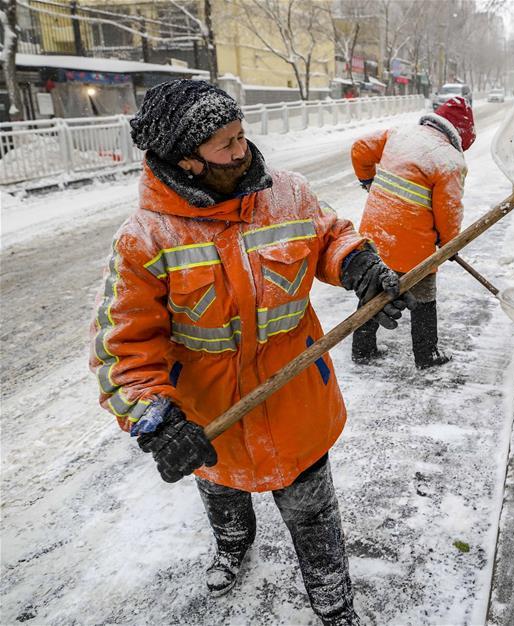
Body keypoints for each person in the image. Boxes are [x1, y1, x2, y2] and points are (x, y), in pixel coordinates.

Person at [89, 79, 413, 624]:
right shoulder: (145, 238)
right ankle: (233, 545)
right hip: (213, 415)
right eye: (226, 143)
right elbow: (121, 346)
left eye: (242, 135)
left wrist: (357, 263)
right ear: (187, 161)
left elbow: (329, 236)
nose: (243, 150)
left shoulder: (287, 193)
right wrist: (157, 420)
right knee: (222, 495)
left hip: (297, 400)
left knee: (313, 513)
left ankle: (335, 603)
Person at [350, 96, 475, 368]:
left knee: (373, 290)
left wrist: (367, 180)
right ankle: (426, 355)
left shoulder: (400, 134)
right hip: (413, 249)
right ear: (460, 137)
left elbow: (360, 148)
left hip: (374, 234)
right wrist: (448, 244)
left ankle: (362, 349)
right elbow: (448, 211)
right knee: (423, 298)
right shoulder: (450, 160)